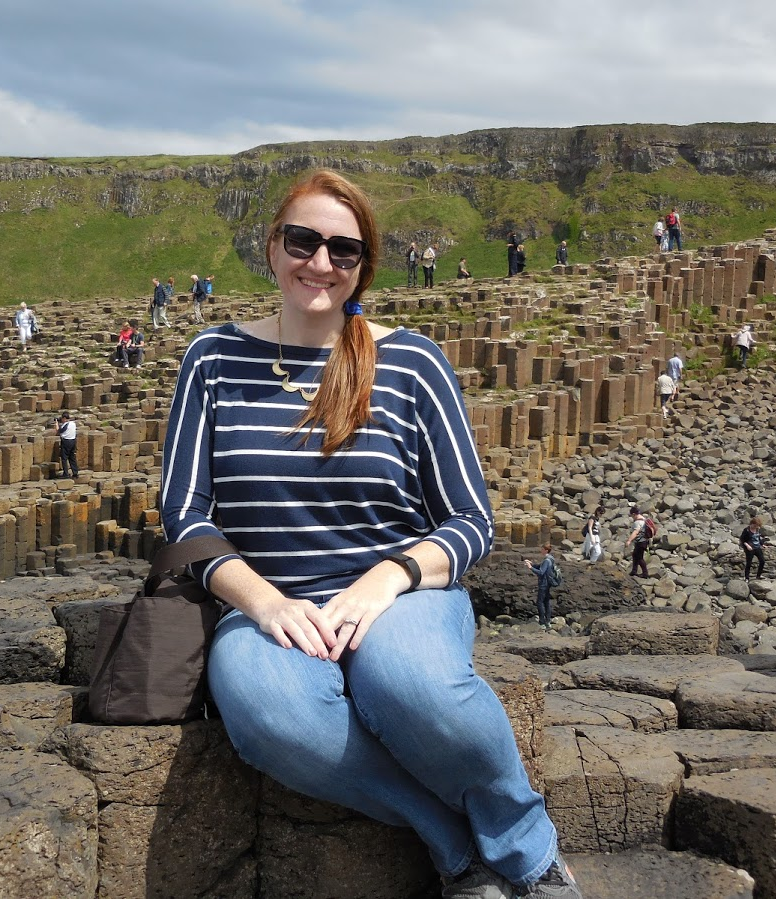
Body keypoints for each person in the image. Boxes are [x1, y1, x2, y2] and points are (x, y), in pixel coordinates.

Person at [160, 169, 580, 898]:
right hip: (269, 604)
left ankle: (528, 853)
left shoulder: (410, 361)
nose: (320, 263)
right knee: (271, 715)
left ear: (363, 266)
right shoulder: (212, 358)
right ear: (271, 247)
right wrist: (262, 603)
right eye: (303, 241)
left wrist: (385, 579)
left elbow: (470, 518)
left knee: (413, 684)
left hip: (398, 594)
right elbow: (185, 516)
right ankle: (454, 844)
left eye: (343, 251)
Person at [524, 544, 556, 631]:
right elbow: (540, 567)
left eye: (542, 549)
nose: (541, 550)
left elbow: (541, 572)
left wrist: (530, 568)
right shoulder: (551, 558)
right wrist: (532, 564)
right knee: (546, 602)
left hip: (544, 584)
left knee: (540, 602)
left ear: (546, 550)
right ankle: (548, 621)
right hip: (548, 584)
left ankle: (542, 622)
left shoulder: (546, 561)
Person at [624, 506, 651, 578]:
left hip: (640, 542)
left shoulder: (637, 522)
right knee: (635, 555)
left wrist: (629, 540)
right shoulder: (644, 520)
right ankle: (634, 571)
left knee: (639, 558)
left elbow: (636, 532)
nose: (632, 517)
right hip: (644, 541)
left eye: (631, 515)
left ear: (634, 514)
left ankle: (645, 574)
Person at [55, 411, 79, 478]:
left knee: (64, 458)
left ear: (64, 418)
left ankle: (66, 473)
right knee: (72, 458)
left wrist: (56, 424)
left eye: (62, 418)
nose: (61, 419)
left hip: (66, 442)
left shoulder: (66, 425)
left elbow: (58, 432)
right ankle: (75, 473)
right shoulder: (73, 423)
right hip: (73, 441)